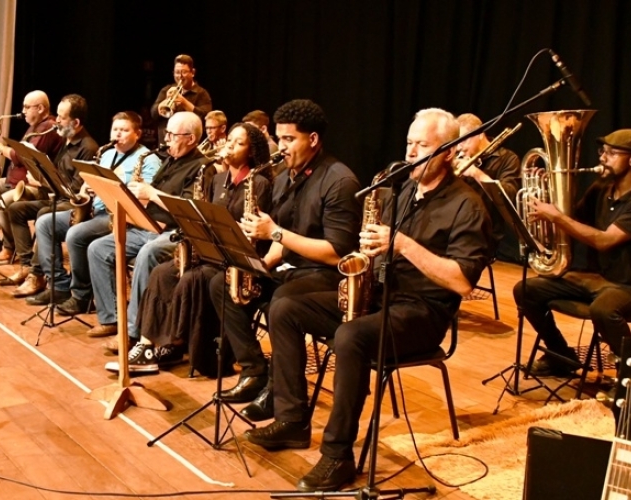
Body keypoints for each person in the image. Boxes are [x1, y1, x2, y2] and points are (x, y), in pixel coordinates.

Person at [261, 108, 491, 492]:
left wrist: (400, 244)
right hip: (382, 296)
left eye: (423, 145)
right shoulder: (401, 192)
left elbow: (463, 283)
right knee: (285, 306)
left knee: (351, 337)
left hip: (425, 311)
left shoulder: (467, 205)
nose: (412, 152)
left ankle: (337, 455)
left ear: (449, 151)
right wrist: (367, 256)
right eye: (409, 143)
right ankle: (292, 419)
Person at [207, 99, 362, 409]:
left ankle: (283, 394)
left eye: (290, 139)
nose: (282, 146)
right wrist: (262, 263)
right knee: (221, 284)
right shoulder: (284, 178)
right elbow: (284, 232)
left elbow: (336, 254)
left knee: (282, 302)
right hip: (290, 268)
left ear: (313, 139)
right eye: (279, 138)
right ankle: (254, 371)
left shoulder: (339, 182)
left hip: (326, 276)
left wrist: (274, 232)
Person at [105, 123, 273, 374]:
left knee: (190, 279)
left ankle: (175, 343)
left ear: (252, 152)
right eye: (230, 141)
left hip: (237, 261)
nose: (230, 146)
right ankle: (148, 344)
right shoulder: (217, 179)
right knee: (162, 273)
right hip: (212, 252)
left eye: (239, 143)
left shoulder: (259, 183)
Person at [86, 111, 212, 344]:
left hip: (176, 232)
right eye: (168, 134)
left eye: (173, 135)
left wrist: (151, 193)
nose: (167, 140)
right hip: (149, 226)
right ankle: (111, 318)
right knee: (98, 249)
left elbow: (189, 209)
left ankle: (134, 331)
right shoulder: (169, 160)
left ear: (191, 139)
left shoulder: (202, 168)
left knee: (148, 253)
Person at [514, 129, 631, 377]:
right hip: (596, 279)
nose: (602, 157)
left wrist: (556, 217)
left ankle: (627, 375)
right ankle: (562, 356)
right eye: (602, 151)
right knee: (526, 290)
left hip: (626, 285)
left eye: (612, 153)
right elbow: (572, 223)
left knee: (603, 310)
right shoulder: (601, 188)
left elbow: (605, 240)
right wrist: (547, 192)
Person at [28, 111, 162, 310]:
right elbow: (88, 188)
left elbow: (144, 199)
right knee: (46, 223)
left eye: (124, 130)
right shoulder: (106, 153)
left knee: (75, 234)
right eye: (115, 129)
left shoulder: (147, 159)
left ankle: (81, 295)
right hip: (96, 209)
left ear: (138, 134)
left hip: (118, 215)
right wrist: (85, 190)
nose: (118, 134)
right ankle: (59, 285)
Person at [6, 94, 99, 300]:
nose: (56, 121)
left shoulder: (88, 148)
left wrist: (44, 182)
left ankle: (40, 276)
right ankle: (26, 264)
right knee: (16, 209)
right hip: (57, 198)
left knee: (45, 214)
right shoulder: (67, 142)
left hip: (74, 206)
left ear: (75, 122)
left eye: (61, 117)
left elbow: (75, 192)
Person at [0, 90, 63, 262]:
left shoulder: (48, 128)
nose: (23, 111)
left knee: (3, 203)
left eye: (27, 107)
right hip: (14, 180)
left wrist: (2, 149)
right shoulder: (34, 126)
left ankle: (10, 247)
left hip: (33, 185)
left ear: (41, 108)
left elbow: (26, 157)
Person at [455, 113, 521, 247]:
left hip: (484, 232)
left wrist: (476, 173)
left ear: (480, 134)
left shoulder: (508, 158)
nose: (459, 147)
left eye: (463, 140)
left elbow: (509, 196)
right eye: (456, 143)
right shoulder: (457, 157)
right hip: (454, 224)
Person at [150, 54, 212, 145]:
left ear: (193, 72)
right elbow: (153, 114)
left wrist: (184, 102)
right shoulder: (166, 90)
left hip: (188, 146)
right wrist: (166, 101)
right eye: (177, 72)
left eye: (184, 72)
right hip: (165, 146)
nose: (180, 76)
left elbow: (206, 117)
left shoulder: (202, 93)